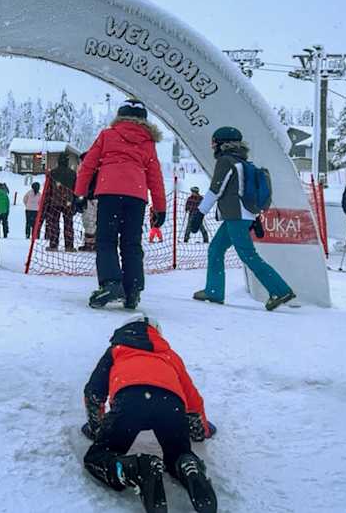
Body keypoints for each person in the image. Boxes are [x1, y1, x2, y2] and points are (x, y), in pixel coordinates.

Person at [82, 315, 218, 513]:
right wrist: (201, 430)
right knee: (178, 453)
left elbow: (93, 393)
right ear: (157, 333)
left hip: (130, 403)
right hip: (171, 405)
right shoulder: (170, 355)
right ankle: (187, 465)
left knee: (98, 457)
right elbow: (193, 400)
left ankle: (138, 468)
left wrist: (97, 428)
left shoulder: (116, 351)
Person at [192, 126, 297, 310]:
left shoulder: (226, 161)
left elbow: (216, 190)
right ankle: (213, 291)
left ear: (222, 144)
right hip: (240, 215)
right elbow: (244, 192)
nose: (212, 146)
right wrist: (254, 217)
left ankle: (280, 290)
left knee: (248, 255)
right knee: (215, 249)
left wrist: (199, 213)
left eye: (214, 143)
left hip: (236, 216)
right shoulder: (244, 162)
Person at [76, 100, 165, 309]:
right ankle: (133, 289)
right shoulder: (148, 143)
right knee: (131, 242)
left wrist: (80, 193)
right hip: (136, 197)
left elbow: (88, 165)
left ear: (120, 116)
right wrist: (160, 208)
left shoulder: (108, 135)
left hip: (110, 193)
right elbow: (155, 176)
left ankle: (111, 283)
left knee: (106, 240)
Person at [44, 153, 77, 251]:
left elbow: (48, 189)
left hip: (55, 201)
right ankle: (69, 246)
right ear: (67, 161)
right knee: (68, 224)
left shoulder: (53, 173)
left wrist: (47, 201)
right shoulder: (72, 173)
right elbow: (75, 188)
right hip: (68, 202)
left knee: (54, 223)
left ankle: (53, 244)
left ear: (58, 161)